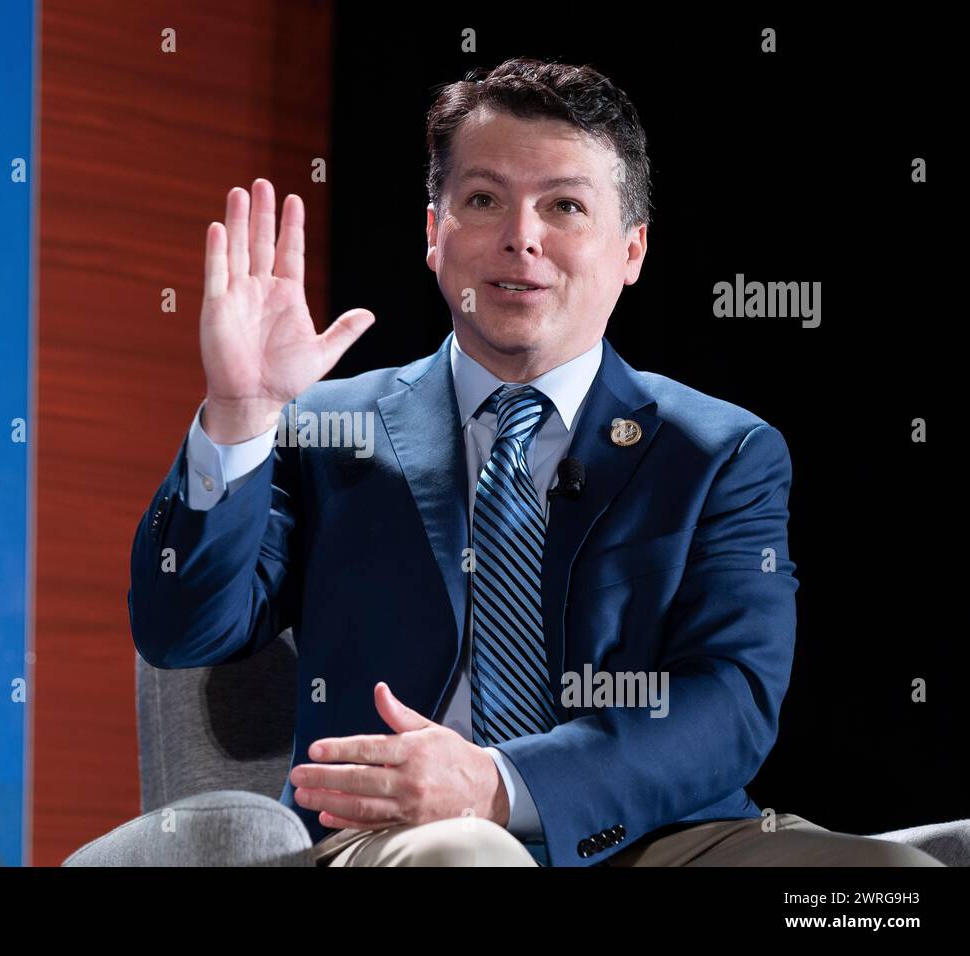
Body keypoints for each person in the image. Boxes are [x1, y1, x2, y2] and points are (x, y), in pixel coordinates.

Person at [128, 58, 943, 867]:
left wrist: (498, 782)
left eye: (565, 206)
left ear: (632, 250)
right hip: (390, 835)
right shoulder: (327, 426)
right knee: (470, 860)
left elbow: (730, 702)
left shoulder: (721, 451)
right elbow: (184, 631)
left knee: (890, 884)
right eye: (483, 200)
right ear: (432, 234)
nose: (522, 236)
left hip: (655, 839)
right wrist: (241, 416)